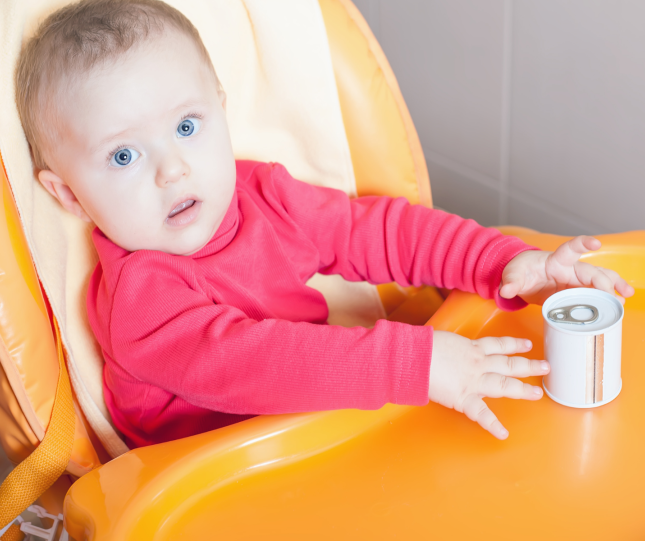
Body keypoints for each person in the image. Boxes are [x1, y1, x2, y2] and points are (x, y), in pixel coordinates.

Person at [14, 0, 633, 448]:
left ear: (222, 112)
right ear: (68, 193)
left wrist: (497, 260)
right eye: (124, 156)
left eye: (186, 126)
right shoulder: (142, 303)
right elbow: (256, 362)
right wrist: (415, 365)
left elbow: (371, 232)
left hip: (326, 428)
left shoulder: (262, 192)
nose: (172, 170)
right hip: (217, 475)